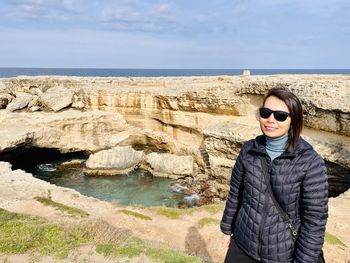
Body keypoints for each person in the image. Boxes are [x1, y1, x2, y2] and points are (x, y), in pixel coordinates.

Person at [220, 87, 328, 263]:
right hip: (242, 244)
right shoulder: (248, 150)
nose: (270, 120)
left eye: (280, 115)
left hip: (283, 254)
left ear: (293, 121)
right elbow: (235, 194)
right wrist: (226, 229)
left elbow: (314, 223)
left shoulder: (310, 163)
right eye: (265, 113)